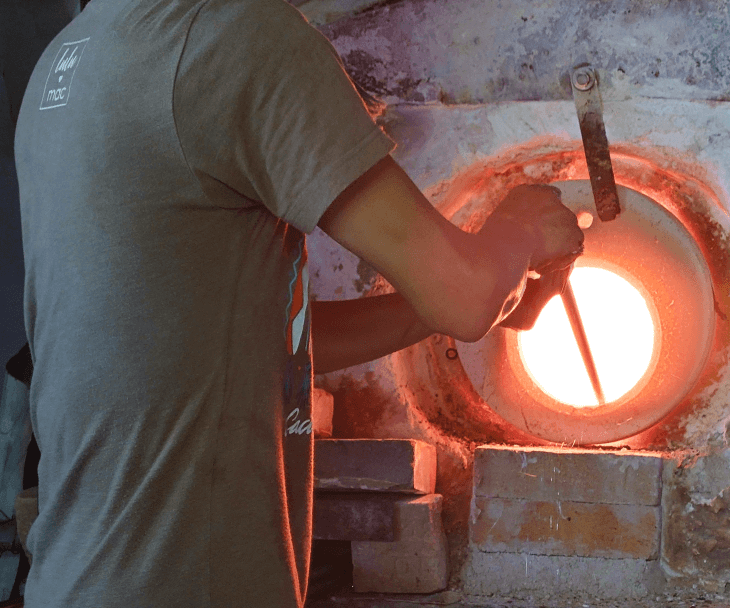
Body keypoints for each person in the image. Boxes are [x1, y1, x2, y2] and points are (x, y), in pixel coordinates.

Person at [13, 0, 583, 605]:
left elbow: (254, 339)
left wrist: (447, 300)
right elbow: (467, 298)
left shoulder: (68, 60)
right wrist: (520, 229)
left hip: (74, 578)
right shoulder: (240, 35)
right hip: (184, 583)